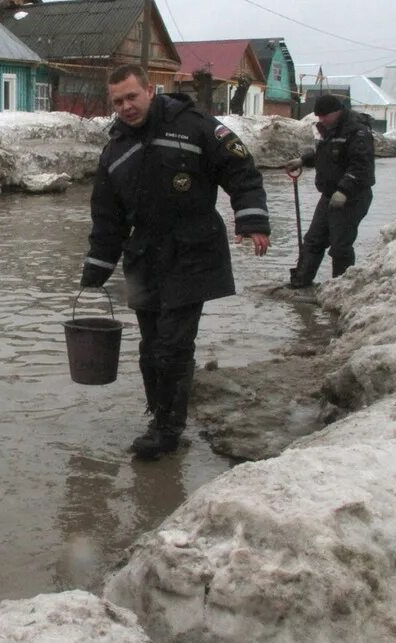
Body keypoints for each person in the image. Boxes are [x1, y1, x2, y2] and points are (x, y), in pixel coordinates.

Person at [79, 65, 271, 460]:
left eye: (132, 97)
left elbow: (240, 169)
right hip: (145, 256)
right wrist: (98, 267)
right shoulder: (115, 149)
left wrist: (251, 220)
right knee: (150, 346)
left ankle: (168, 429)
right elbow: (107, 215)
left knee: (172, 345)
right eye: (118, 102)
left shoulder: (195, 126)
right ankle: (159, 414)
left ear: (151, 90)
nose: (126, 107)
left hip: (194, 249)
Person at [284, 94, 375, 288]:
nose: (321, 120)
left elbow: (361, 167)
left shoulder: (357, 132)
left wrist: (344, 190)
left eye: (325, 116)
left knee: (340, 245)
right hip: (329, 195)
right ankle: (301, 281)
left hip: (352, 198)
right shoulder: (332, 129)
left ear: (338, 111)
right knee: (313, 240)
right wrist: (304, 160)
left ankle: (340, 287)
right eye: (319, 116)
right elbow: (326, 153)